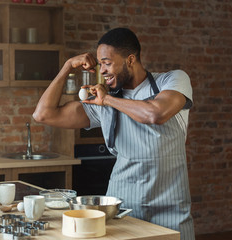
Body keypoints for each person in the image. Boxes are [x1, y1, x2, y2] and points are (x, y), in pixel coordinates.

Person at [33, 27, 195, 240]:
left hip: (170, 209)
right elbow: (43, 114)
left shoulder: (172, 81)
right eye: (100, 64)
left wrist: (107, 100)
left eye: (107, 63)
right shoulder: (103, 100)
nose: (103, 70)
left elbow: (156, 113)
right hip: (122, 209)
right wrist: (66, 67)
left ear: (130, 60)